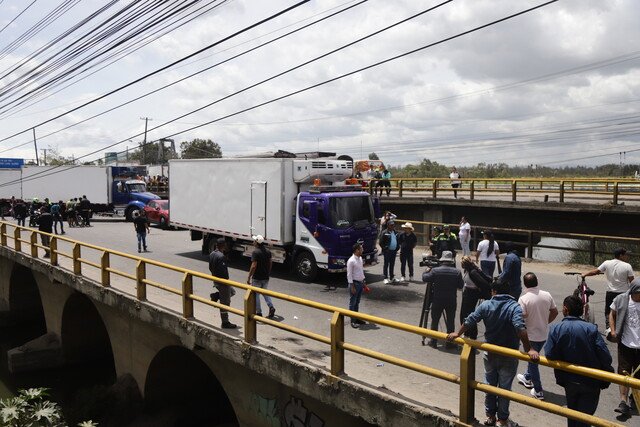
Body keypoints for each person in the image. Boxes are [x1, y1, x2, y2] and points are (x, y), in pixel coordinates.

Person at [447, 279, 539, 427]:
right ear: (508, 292)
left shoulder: (486, 305)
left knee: (489, 386)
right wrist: (530, 349)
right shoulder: (514, 307)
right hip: (508, 355)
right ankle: (502, 420)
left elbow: (470, 320)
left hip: (489, 353)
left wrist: (457, 333)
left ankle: (490, 416)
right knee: (504, 389)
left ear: (493, 291)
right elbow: (520, 328)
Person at [544, 295, 613, 427]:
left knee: (572, 416)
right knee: (584, 419)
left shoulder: (556, 328)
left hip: (568, 381)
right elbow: (606, 356)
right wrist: (607, 375)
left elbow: (549, 353)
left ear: (565, 309)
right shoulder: (591, 329)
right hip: (591, 381)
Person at [516, 272, 558, 400]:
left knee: (533, 362)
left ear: (525, 284)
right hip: (543, 334)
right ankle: (527, 377)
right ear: (537, 281)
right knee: (533, 359)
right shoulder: (547, 295)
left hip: (530, 336)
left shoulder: (523, 299)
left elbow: (520, 317)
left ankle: (538, 390)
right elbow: (555, 312)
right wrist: (545, 322)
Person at [582, 247, 634, 333]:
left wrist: (585, 274)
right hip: (623, 293)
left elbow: (596, 271)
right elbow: (632, 281)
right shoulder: (627, 266)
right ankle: (623, 328)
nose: (627, 256)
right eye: (625, 255)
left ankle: (609, 328)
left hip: (610, 292)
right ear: (621, 255)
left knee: (609, 311)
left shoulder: (607, 263)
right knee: (623, 310)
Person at [608, 279, 640, 418]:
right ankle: (623, 402)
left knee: (638, 376)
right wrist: (613, 331)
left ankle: (635, 398)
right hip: (626, 344)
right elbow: (612, 314)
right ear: (635, 291)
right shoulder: (621, 299)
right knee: (624, 374)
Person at [422, 251, 464, 349]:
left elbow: (425, 278)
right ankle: (450, 342)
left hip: (437, 299)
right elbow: (461, 286)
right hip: (451, 300)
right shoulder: (457, 272)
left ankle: (433, 341)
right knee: (450, 322)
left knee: (435, 320)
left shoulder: (435, 271)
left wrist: (426, 270)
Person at [459, 256, 492, 340]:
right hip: (467, 293)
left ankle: (472, 335)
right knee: (464, 314)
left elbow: (484, 284)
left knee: (469, 315)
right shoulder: (469, 270)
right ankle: (467, 333)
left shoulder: (473, 272)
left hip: (471, 294)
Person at [209, 237, 237, 329]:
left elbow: (210, 267)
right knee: (225, 302)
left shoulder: (212, 253)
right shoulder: (221, 257)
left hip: (216, 279)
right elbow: (223, 272)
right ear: (223, 245)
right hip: (222, 282)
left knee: (232, 292)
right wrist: (225, 282)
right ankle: (225, 322)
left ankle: (216, 295)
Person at [247, 235, 276, 319]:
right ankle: (271, 307)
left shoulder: (255, 252)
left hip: (257, 278)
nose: (253, 242)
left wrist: (249, 277)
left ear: (257, 242)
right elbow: (270, 263)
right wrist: (268, 272)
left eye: (254, 241)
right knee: (265, 292)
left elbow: (253, 266)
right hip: (265, 277)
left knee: (256, 295)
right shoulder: (268, 251)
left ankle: (259, 312)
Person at [347, 243, 367, 329]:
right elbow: (349, 275)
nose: (362, 250)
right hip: (354, 284)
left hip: (360, 283)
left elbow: (361, 271)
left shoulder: (360, 258)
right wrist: (352, 286)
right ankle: (353, 321)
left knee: (357, 302)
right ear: (356, 250)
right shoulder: (351, 261)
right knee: (353, 303)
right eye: (361, 248)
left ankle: (356, 318)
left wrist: (364, 281)